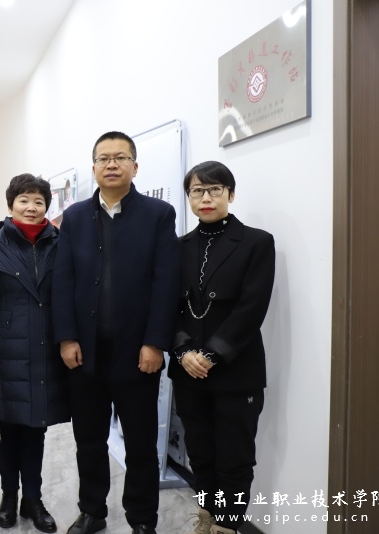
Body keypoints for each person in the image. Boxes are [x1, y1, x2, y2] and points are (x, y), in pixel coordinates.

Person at [52, 131, 181, 534]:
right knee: (89, 441)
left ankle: (142, 519)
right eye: (104, 158)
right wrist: (67, 337)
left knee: (141, 445)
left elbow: (166, 282)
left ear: (135, 167)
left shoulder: (158, 214)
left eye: (120, 157)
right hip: (85, 353)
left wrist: (155, 342)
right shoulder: (74, 217)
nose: (111, 164)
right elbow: (63, 279)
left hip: (137, 352)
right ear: (93, 168)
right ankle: (92, 511)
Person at [169, 161, 275, 534]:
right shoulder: (177, 247)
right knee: (201, 454)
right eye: (197, 191)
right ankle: (207, 517)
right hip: (188, 372)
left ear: (231, 194)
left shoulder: (256, 242)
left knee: (235, 457)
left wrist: (211, 355)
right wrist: (183, 351)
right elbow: (168, 307)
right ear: (189, 197)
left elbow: (252, 308)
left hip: (236, 370)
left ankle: (228, 526)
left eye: (215, 189)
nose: (206, 197)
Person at [0, 174, 70, 533]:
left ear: (47, 207)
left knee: (36, 429)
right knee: (10, 428)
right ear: (11, 205)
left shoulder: (59, 244)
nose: (31, 207)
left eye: (38, 201)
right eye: (24, 200)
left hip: (46, 349)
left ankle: (33, 499)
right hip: (6, 352)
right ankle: (9, 497)